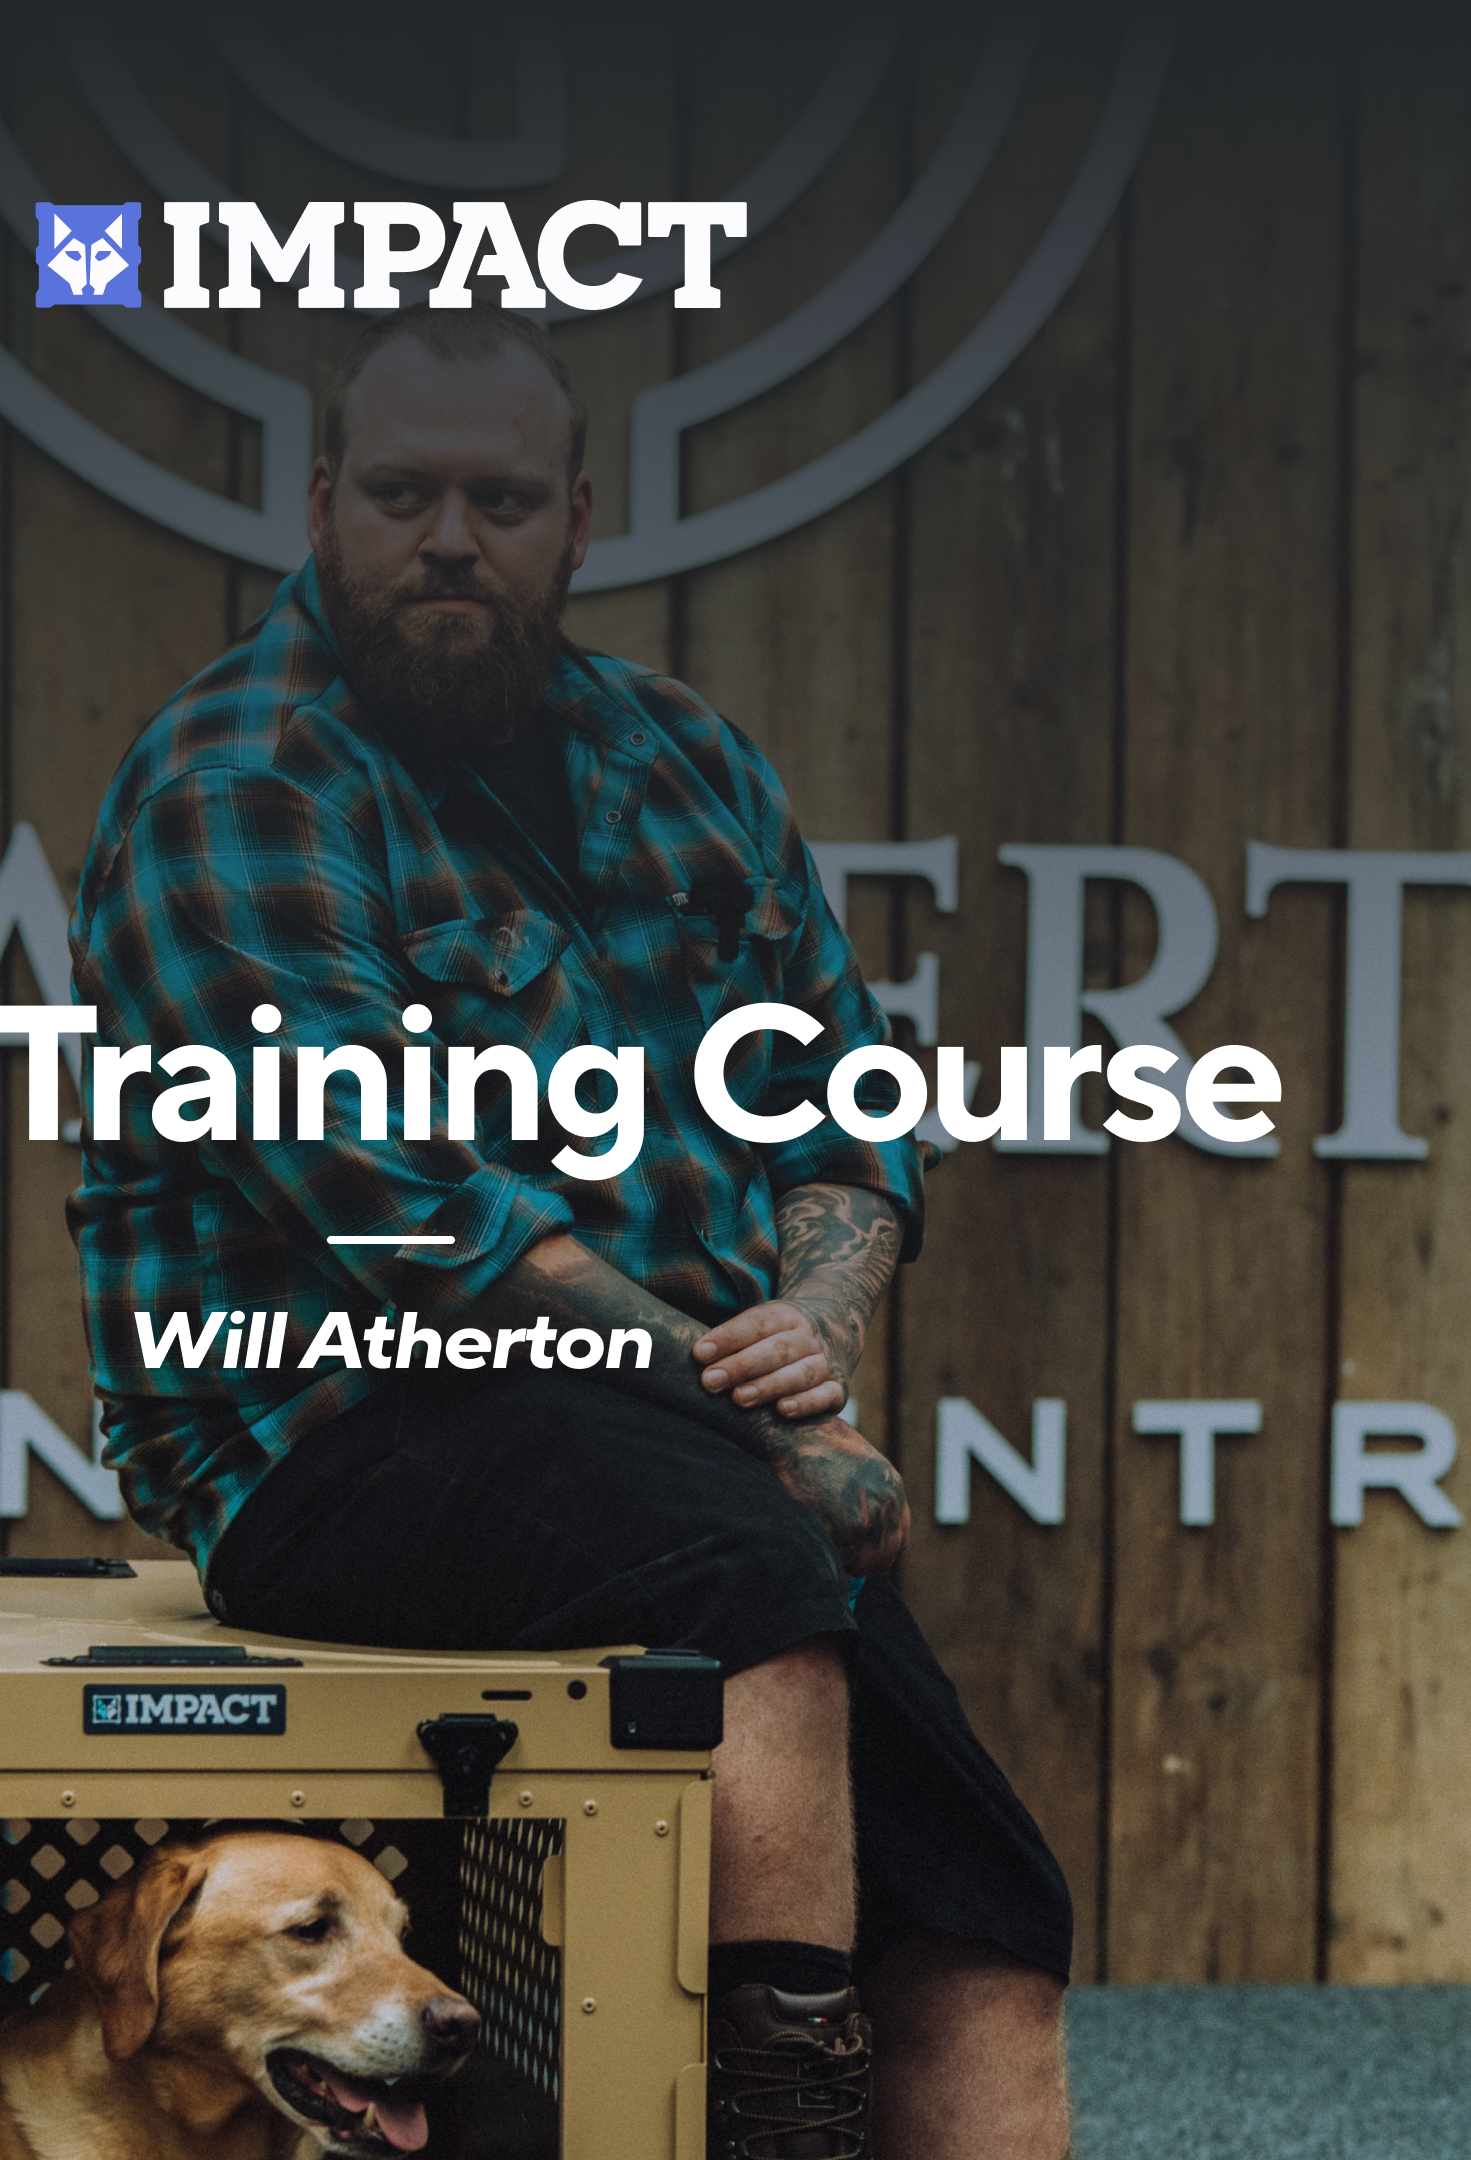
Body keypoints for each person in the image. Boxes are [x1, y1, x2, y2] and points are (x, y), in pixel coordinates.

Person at [68, 310, 1071, 2159]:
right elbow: (407, 1216)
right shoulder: (234, 780)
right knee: (739, 1577)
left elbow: (842, 1098)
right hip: (330, 1426)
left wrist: (812, 1334)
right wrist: (766, 1423)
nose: (449, 538)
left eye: (501, 499)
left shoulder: (682, 756)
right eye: (402, 494)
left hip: (673, 1437)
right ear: (322, 504)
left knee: (985, 1911)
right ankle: (777, 2132)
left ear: (579, 519)